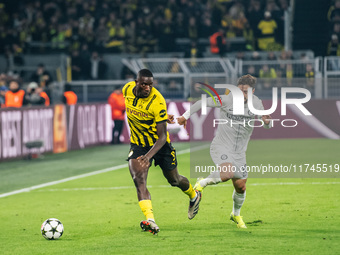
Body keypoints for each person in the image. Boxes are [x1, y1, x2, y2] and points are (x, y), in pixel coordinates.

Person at [177, 74, 272, 229]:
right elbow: (202, 102)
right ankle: (201, 184)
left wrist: (267, 122)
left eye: (246, 92)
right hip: (221, 146)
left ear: (253, 91)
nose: (242, 94)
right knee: (227, 173)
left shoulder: (257, 104)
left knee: (241, 186)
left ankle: (235, 214)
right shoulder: (226, 100)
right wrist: (184, 116)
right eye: (240, 91)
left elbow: (267, 124)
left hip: (240, 152)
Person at [123, 69, 201, 235]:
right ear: (136, 82)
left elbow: (162, 138)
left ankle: (194, 195)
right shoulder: (126, 90)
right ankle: (150, 219)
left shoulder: (158, 101)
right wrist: (164, 117)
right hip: (138, 143)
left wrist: (148, 156)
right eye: (144, 84)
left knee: (174, 180)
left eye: (150, 84)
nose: (147, 88)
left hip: (159, 146)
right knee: (139, 178)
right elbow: (140, 109)